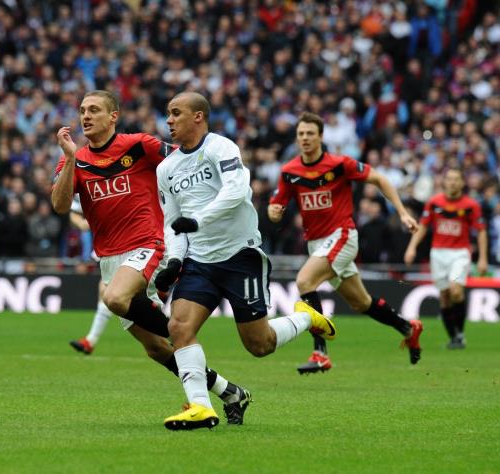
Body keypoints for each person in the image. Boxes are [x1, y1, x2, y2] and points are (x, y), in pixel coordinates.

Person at [52, 90, 251, 424]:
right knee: (156, 348)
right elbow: (59, 205)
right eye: (82, 110)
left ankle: (180, 335)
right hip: (110, 259)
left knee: (114, 298)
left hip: (148, 244)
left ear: (113, 116)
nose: (85, 116)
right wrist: (70, 158)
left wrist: (213, 199)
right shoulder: (74, 158)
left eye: (94, 110)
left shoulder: (139, 146)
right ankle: (229, 391)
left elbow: (186, 159)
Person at [154, 92, 337, 431]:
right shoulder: (166, 168)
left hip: (241, 256)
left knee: (259, 344)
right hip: (199, 260)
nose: (169, 120)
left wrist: (198, 220)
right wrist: (175, 260)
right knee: (178, 328)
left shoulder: (221, 148)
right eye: (168, 113)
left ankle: (306, 317)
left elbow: (237, 191)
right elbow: (172, 222)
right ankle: (200, 406)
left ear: (198, 116)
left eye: (176, 113)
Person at [267, 112, 423, 374]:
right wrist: (274, 212)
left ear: (320, 136)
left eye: (310, 133)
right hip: (316, 244)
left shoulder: (339, 164)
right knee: (361, 302)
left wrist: (403, 213)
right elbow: (276, 206)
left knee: (305, 282)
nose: (305, 138)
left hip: (342, 236)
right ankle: (408, 328)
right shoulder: (289, 171)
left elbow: (380, 179)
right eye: (301, 134)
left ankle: (320, 353)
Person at [404, 167, 488, 349]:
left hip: (460, 254)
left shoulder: (471, 205)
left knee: (456, 290)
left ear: (462, 183)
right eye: (449, 179)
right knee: (444, 296)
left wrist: (483, 258)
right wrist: (411, 247)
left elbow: (481, 231)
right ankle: (454, 338)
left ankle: (461, 333)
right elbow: (423, 226)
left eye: (456, 179)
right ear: (444, 181)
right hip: (438, 254)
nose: (452, 182)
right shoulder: (434, 203)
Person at [67, 197, 113, 355]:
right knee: (105, 290)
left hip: (132, 241)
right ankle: (90, 340)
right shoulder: (87, 185)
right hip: (110, 242)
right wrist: (82, 223)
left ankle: (172, 336)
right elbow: (74, 212)